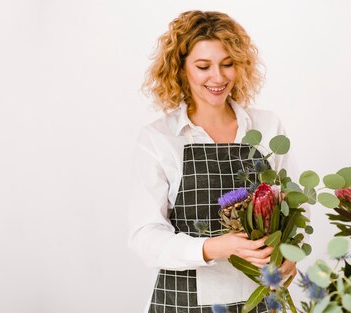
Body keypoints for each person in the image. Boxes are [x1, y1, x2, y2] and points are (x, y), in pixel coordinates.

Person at [129, 10, 301, 313]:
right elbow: (145, 236)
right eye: (203, 66)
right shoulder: (159, 138)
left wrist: (290, 254)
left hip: (262, 298)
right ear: (181, 69)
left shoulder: (266, 127)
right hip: (182, 302)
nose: (218, 77)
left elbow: (296, 207)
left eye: (227, 64)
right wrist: (214, 248)